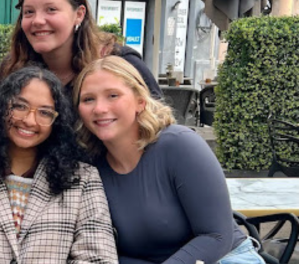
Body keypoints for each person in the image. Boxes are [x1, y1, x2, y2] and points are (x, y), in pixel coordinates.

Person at [73, 56, 265, 264]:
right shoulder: (90, 167)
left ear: (140, 101)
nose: (99, 108)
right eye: (88, 99)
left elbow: (216, 236)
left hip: (224, 258)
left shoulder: (179, 146)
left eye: (112, 95)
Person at [0, 66, 118, 264]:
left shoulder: (82, 179)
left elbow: (98, 258)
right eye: (19, 106)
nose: (29, 120)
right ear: (1, 108)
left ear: (57, 121)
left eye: (45, 113)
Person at [0, 0, 162, 99]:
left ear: (79, 14)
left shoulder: (120, 63)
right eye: (29, 12)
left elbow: (160, 126)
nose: (38, 20)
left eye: (51, 9)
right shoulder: (13, 68)